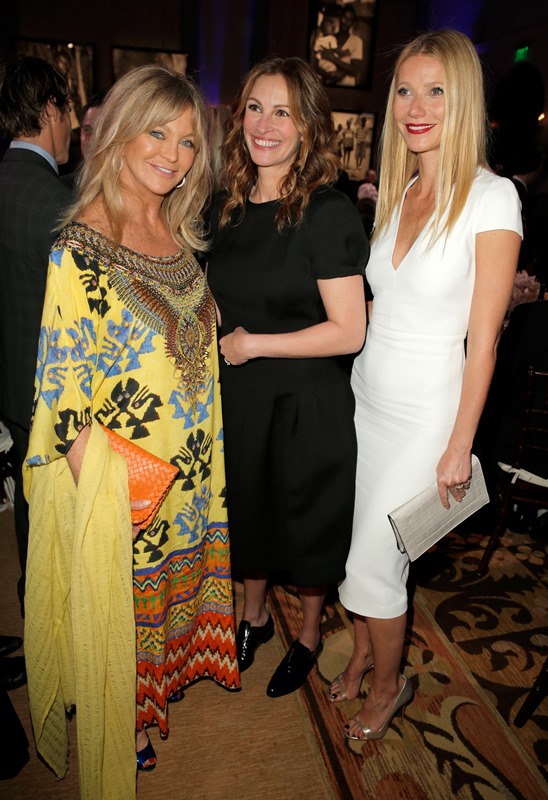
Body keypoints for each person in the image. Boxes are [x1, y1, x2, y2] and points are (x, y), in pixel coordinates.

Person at [23, 64, 239, 797]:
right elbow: (62, 402)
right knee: (123, 608)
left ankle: (152, 695)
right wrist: (119, 500)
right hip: (129, 484)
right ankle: (127, 717)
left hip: (193, 474)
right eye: (157, 133)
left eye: (188, 141)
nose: (174, 155)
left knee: (171, 602)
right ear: (118, 132)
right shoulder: (78, 250)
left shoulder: (177, 232)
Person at [331, 29, 523, 741]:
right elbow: (382, 302)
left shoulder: (493, 198)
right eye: (405, 91)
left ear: (463, 98)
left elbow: (484, 340)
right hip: (365, 397)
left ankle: (389, 688)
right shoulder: (400, 189)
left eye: (435, 91)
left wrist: (459, 444)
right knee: (354, 544)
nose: (416, 108)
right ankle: (361, 656)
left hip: (427, 416)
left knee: (373, 562)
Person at [207, 56, 369, 699]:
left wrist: (254, 344)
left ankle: (306, 634)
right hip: (242, 394)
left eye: (283, 112)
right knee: (247, 509)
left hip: (305, 399)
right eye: (254, 108)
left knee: (305, 524)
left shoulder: (327, 213)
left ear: (307, 127)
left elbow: (349, 330)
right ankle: (252, 618)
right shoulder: (224, 208)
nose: (264, 124)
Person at [0, 55, 72, 613]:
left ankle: (33, 604)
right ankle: (45, 616)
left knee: (30, 507)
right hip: (47, 391)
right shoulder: (58, 203)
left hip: (9, 381)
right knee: (50, 515)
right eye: (68, 112)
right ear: (51, 110)